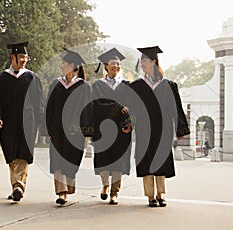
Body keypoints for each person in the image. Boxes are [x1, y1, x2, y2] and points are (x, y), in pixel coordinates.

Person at [0, 41, 45, 202]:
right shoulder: (1, 78)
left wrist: (41, 123)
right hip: (8, 122)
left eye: (26, 57)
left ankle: (19, 185)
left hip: (28, 122)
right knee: (12, 154)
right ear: (12, 57)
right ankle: (16, 186)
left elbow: (39, 102)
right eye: (21, 57)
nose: (24, 60)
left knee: (24, 154)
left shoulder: (32, 78)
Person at [131, 46, 190, 207]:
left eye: (144, 61)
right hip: (144, 129)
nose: (141, 64)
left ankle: (160, 194)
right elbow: (132, 107)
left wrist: (180, 129)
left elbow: (176, 107)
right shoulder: (137, 86)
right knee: (147, 160)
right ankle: (150, 196)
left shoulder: (168, 85)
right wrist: (127, 122)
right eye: (141, 61)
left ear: (153, 62)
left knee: (160, 160)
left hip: (163, 129)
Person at [45, 48, 93, 205]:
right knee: (58, 160)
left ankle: (68, 188)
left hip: (75, 132)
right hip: (57, 130)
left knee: (71, 161)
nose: (61, 65)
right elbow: (49, 108)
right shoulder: (56, 85)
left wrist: (85, 130)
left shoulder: (84, 87)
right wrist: (48, 129)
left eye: (63, 63)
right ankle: (61, 193)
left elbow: (87, 110)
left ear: (72, 66)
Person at [92, 48, 132, 205]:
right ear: (106, 66)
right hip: (103, 128)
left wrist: (130, 109)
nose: (116, 66)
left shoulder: (127, 85)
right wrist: (117, 105)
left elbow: (134, 104)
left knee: (118, 162)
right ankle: (105, 185)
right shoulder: (97, 85)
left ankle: (115, 193)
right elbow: (97, 104)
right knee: (104, 160)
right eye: (113, 63)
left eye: (118, 63)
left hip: (121, 129)